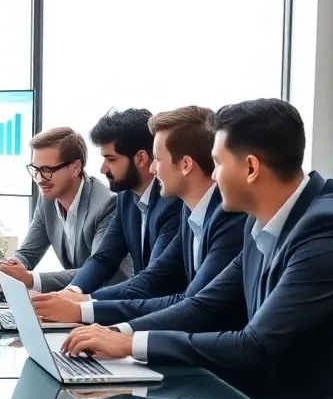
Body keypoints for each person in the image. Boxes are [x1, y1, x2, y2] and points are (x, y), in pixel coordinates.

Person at [61, 98, 333, 399]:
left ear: (250, 168)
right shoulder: (260, 221)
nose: (212, 177)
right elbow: (205, 305)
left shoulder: (331, 229)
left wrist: (130, 344)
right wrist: (118, 333)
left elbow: (256, 345)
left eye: (217, 163)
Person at [32, 106, 246, 325]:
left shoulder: (219, 215)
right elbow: (146, 273)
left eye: (158, 159)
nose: (153, 169)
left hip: (183, 329)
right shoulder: (182, 208)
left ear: (185, 164)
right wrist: (76, 298)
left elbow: (188, 301)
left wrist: (88, 311)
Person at [64, 107, 182, 295]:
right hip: (138, 303)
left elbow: (155, 278)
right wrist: (72, 292)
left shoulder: (173, 203)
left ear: (141, 158)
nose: (103, 169)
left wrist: (85, 303)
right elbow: (104, 258)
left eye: (111, 159)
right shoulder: (126, 198)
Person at [0, 126, 117, 292]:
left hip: (110, 298)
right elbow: (27, 253)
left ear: (76, 168)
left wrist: (31, 279)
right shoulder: (48, 198)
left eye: (47, 170)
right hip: (75, 296)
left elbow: (97, 271)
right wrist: (7, 268)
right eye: (35, 169)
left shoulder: (106, 204)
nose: (39, 179)